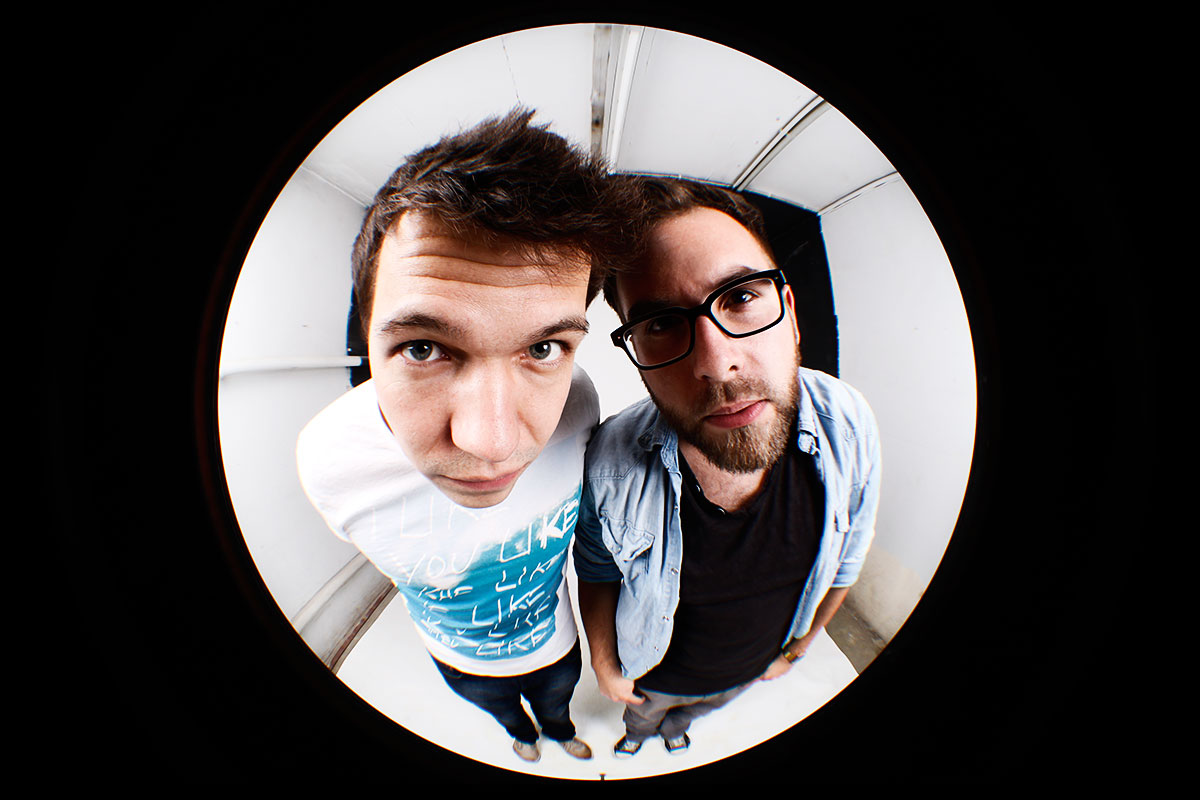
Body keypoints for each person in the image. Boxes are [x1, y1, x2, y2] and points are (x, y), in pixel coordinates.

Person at [296, 109, 631, 764]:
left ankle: (558, 731)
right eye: (424, 347)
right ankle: (521, 737)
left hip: (556, 640)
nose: (492, 444)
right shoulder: (329, 464)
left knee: (558, 702)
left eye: (543, 347)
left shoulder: (579, 403)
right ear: (367, 338)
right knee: (504, 715)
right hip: (457, 659)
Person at [573, 177, 882, 757]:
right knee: (645, 719)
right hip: (654, 672)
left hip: (750, 670)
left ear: (791, 313)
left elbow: (849, 556)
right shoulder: (610, 461)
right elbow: (596, 568)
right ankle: (641, 737)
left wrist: (798, 649)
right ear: (634, 350)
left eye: (740, 297)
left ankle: (678, 732)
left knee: (699, 713)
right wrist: (606, 664)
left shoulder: (848, 423)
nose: (717, 364)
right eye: (661, 324)